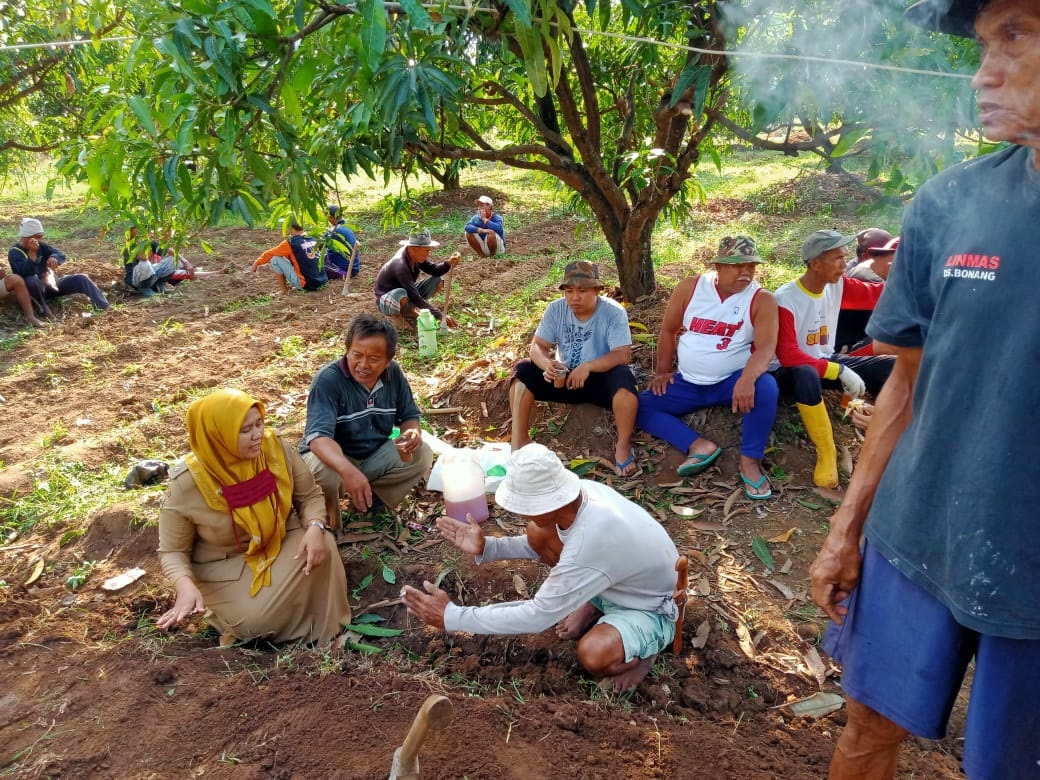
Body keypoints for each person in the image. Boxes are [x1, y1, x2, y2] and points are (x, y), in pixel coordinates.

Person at [811, 1, 1040, 778]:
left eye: (1016, 35)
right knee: (866, 730)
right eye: (982, 43)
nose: (984, 71)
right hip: (918, 536)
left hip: (1032, 574)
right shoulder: (949, 202)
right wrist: (849, 529)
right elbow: (904, 383)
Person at [402, 443, 680, 691]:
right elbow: (556, 545)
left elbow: (537, 616)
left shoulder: (590, 542)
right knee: (539, 533)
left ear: (550, 502)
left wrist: (452, 616)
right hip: (619, 580)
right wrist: (489, 547)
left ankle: (647, 651)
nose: (520, 513)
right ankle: (594, 601)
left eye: (525, 506)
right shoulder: (579, 499)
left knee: (594, 654)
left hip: (651, 606)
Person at [156, 388, 351, 646]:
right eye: (245, 430)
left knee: (322, 544)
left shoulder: (275, 448)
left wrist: (315, 526)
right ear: (218, 436)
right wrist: (184, 586)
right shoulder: (188, 483)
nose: (258, 434)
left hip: (278, 539)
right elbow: (172, 551)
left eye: (259, 423)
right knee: (256, 623)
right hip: (227, 566)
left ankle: (323, 627)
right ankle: (232, 618)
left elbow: (309, 496)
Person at [636, 236, 778, 499]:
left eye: (751, 266)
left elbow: (766, 348)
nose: (746, 272)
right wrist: (663, 372)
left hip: (730, 382)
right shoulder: (691, 288)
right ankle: (698, 445)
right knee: (639, 404)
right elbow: (669, 330)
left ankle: (749, 461)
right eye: (738, 265)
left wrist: (747, 378)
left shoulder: (761, 299)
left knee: (766, 388)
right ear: (719, 266)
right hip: (688, 383)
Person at [770, 230, 894, 490]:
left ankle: (883, 428)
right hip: (787, 372)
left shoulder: (836, 285)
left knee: (890, 364)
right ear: (816, 264)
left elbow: (876, 294)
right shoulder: (786, 299)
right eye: (837, 258)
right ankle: (826, 452)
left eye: (843, 257)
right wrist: (839, 371)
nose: (844, 263)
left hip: (825, 362)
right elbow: (789, 355)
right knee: (805, 372)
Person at [300, 313, 433, 528]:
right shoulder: (328, 380)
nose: (363, 364)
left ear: (388, 360)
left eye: (373, 359)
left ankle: (373, 502)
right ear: (347, 350)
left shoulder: (394, 374)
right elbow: (319, 439)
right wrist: (348, 471)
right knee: (325, 475)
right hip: (335, 459)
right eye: (357, 355)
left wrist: (412, 432)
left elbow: (409, 415)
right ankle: (325, 522)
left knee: (421, 454)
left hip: (373, 454)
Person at [510, 260, 639, 476]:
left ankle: (623, 446)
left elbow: (622, 355)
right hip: (563, 378)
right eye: (569, 291)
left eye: (582, 290)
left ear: (598, 290)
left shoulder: (613, 312)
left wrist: (588, 366)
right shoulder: (556, 309)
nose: (574, 297)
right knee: (523, 371)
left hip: (599, 379)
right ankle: (521, 439)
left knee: (624, 379)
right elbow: (537, 347)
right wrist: (547, 365)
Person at [8, 218, 109, 315]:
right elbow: (24, 273)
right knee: (32, 280)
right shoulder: (15, 252)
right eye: (37, 237)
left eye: (40, 237)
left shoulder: (40, 246)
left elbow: (59, 253)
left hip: (49, 284)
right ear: (27, 236)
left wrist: (54, 257)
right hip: (34, 291)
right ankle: (44, 310)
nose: (39, 240)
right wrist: (32, 254)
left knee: (81, 278)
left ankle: (103, 306)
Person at [374, 228, 460, 330]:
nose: (428, 254)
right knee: (400, 292)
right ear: (414, 248)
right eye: (426, 250)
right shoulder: (400, 265)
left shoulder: (414, 256)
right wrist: (438, 314)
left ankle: (409, 310)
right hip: (388, 300)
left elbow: (435, 270)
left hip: (407, 293)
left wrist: (448, 263)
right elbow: (413, 294)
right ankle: (395, 316)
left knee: (437, 280)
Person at [835, 228, 894, 352]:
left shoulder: (856, 264)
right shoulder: (863, 273)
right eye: (884, 255)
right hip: (850, 346)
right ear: (866, 255)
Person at [251, 218, 328, 293]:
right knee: (294, 257)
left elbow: (269, 253)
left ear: (290, 228)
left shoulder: (291, 242)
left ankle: (284, 290)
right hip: (323, 281)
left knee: (275, 259)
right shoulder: (313, 237)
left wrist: (256, 263)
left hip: (308, 285)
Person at [122, 225, 196, 297]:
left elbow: (168, 250)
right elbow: (142, 257)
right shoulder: (129, 247)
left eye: (136, 228)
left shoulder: (148, 242)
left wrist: (185, 262)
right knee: (145, 263)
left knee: (173, 258)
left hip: (149, 275)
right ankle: (143, 288)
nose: (137, 230)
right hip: (135, 280)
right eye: (133, 228)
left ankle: (160, 283)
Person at [323, 205, 360, 280]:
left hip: (345, 270)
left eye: (328, 218)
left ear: (331, 217)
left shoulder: (333, 231)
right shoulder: (347, 227)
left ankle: (341, 273)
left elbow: (320, 246)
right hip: (354, 267)